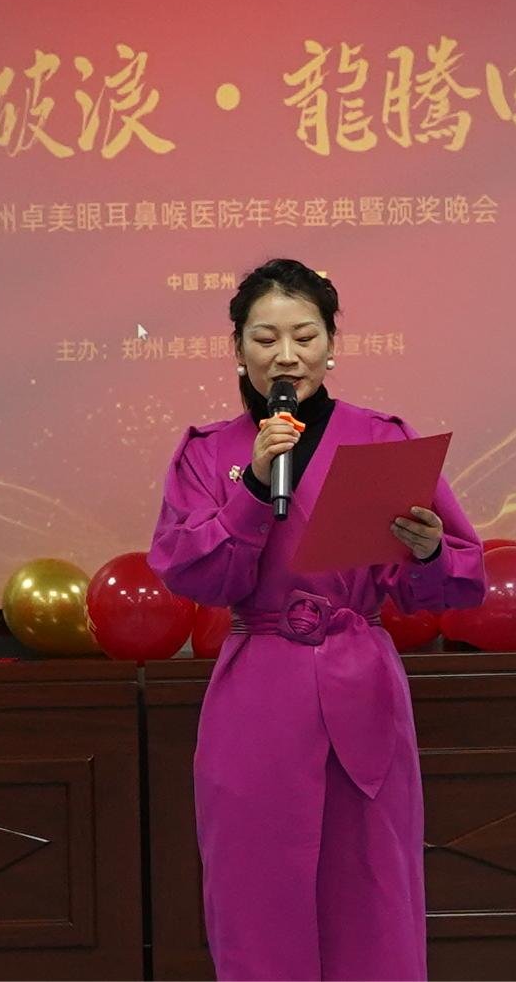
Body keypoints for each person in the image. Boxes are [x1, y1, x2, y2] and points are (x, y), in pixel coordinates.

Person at [147, 258, 486, 981]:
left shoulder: (382, 438)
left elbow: (458, 579)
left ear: (331, 345)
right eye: (265, 338)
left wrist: (427, 551)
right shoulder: (208, 453)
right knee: (254, 883)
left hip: (359, 675)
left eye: (304, 336)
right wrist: (250, 492)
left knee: (371, 882)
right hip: (258, 685)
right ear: (238, 349)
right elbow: (195, 574)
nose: (286, 355)